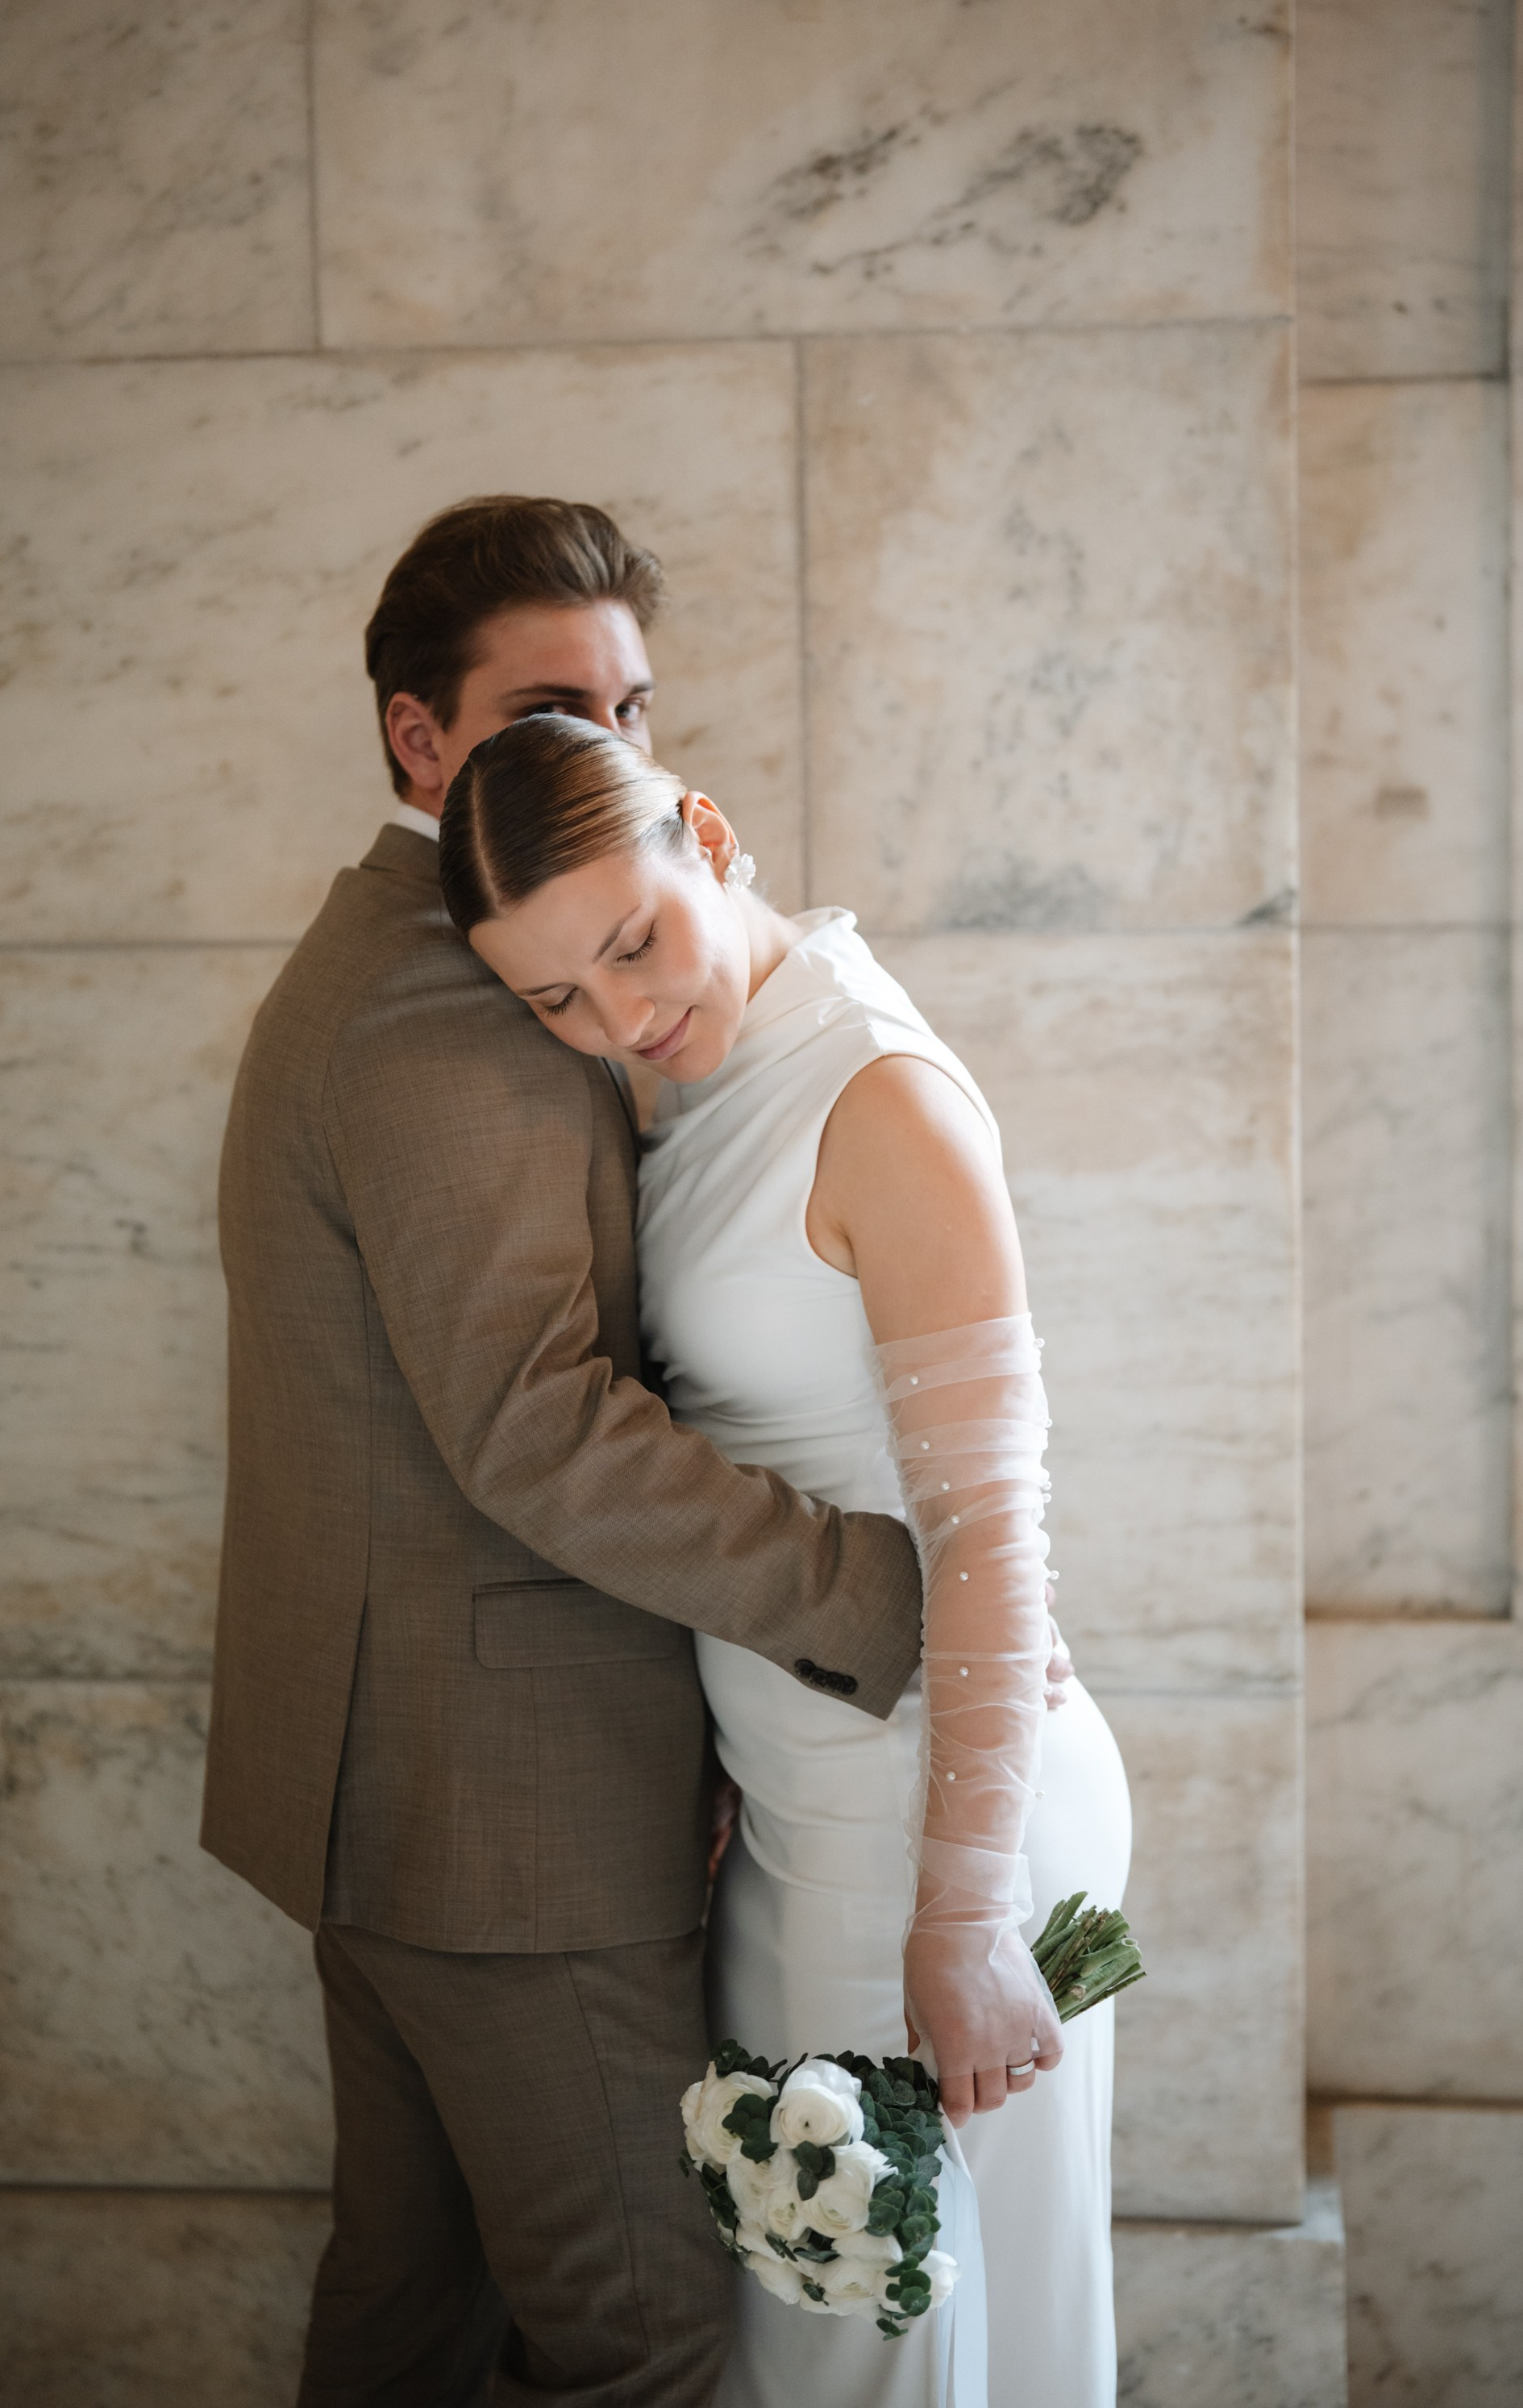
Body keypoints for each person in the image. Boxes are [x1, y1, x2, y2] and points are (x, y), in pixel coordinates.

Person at [201, 496, 934, 2408]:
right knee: (642, 2349)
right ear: (418, 741)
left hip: (418, 1796)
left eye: (626, 710)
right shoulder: (446, 1008)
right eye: (544, 709)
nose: (596, 755)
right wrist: (874, 1590)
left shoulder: (442, 957)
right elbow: (536, 1421)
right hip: (503, 1821)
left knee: (413, 2309)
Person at [440, 714, 1134, 2408]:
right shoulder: (707, 1074)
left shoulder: (875, 1093)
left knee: (878, 2353)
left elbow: (990, 1525)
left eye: (632, 945)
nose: (621, 1021)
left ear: (708, 832)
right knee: (860, 2341)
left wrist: (962, 1921)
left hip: (930, 1825)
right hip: (806, 1800)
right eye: (558, 1002)